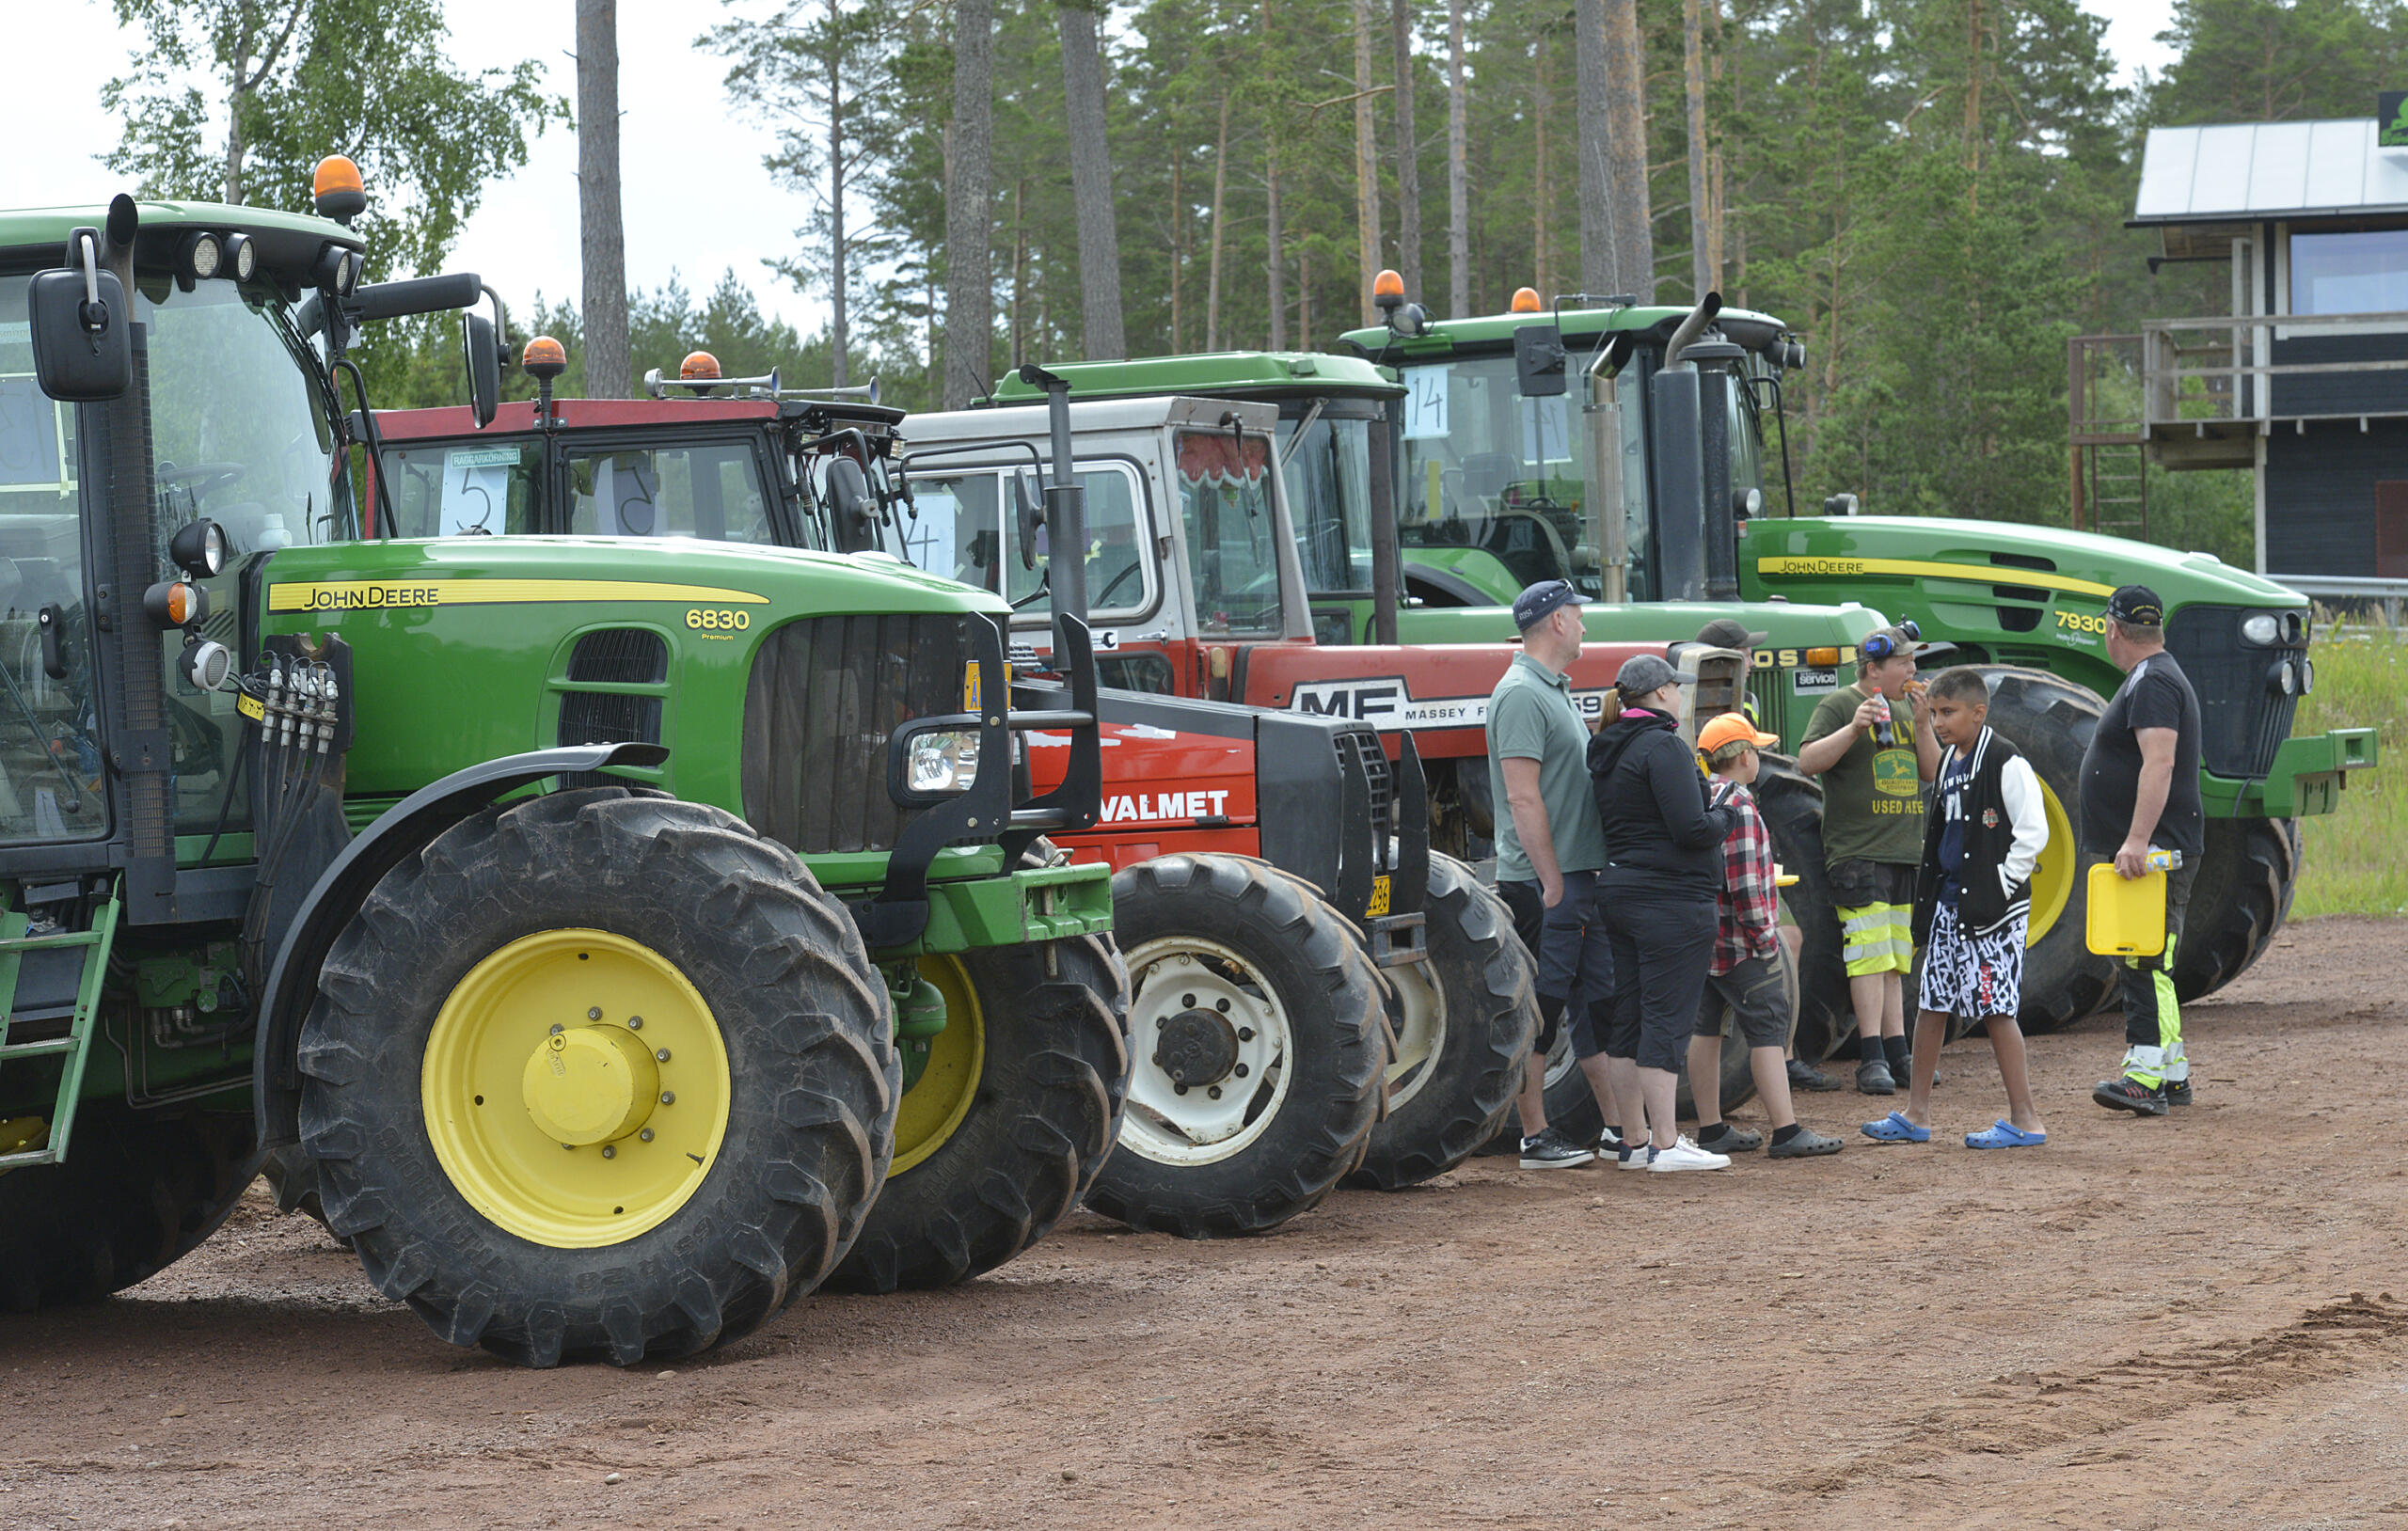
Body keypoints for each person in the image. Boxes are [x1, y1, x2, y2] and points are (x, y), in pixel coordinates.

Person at [1861, 668, 2052, 1149]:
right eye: (1936, 711)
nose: (1939, 721)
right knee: (1932, 1003)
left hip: (1992, 913)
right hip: (1951, 907)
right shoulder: (1950, 762)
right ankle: (1916, 1114)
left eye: (1949, 712)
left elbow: (2033, 832)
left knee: (1996, 1007)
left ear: (1978, 712)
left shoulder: (2006, 761)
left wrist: (1999, 886)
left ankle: (2026, 1119)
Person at [1589, 654, 1737, 1173]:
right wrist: (1728, 812)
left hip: (1622, 891)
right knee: (1666, 1019)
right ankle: (1668, 1144)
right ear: (1659, 694)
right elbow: (1691, 829)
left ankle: (1634, 1141)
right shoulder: (1664, 745)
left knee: (1628, 1018)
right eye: (1677, 687)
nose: (1680, 694)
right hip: (1670, 900)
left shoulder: (1608, 747)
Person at [1486, 579, 1612, 1168]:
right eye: (1579, 615)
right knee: (1544, 1005)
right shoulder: (1520, 694)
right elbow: (1522, 798)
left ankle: (1617, 1128)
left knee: (1594, 1000)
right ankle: (1534, 1136)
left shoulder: (1552, 689)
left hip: (1572, 874)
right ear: (1557, 622)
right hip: (1544, 881)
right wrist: (1552, 881)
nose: (1585, 624)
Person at [1687, 713, 1845, 1160]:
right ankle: (1786, 1129)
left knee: (1705, 1031)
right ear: (1741, 757)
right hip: (1742, 945)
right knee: (1768, 1032)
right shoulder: (1742, 808)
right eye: (1754, 749)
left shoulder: (1702, 800)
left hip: (1707, 942)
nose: (1758, 756)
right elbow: (1748, 886)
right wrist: (1765, 938)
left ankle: (1711, 1128)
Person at [1696, 615, 1838, 1096]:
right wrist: (1759, 933)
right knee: (1774, 947)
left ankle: (1785, 1052)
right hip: (1733, 872)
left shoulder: (1744, 706)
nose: (1754, 662)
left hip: (1751, 860)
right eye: (1747, 653)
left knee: (1792, 938)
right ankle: (1776, 1062)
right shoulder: (1707, 725)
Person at [1796, 623, 1940, 1095]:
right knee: (1867, 956)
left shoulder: (1906, 706)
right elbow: (1808, 762)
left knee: (1896, 959)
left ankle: (1898, 1052)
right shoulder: (1839, 703)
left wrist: (1922, 724)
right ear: (1874, 668)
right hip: (1858, 851)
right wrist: (1854, 726)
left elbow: (1928, 772)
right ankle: (1870, 1056)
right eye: (1904, 663)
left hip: (1902, 850)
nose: (1913, 670)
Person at [2080, 586, 2205, 1117]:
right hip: (2161, 845)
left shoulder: (2152, 681)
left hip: (2155, 850)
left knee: (2143, 956)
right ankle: (2170, 1072)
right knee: (2153, 958)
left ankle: (2145, 1076)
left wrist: (2135, 839)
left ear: (2112, 630)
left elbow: (2160, 763)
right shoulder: (2154, 675)